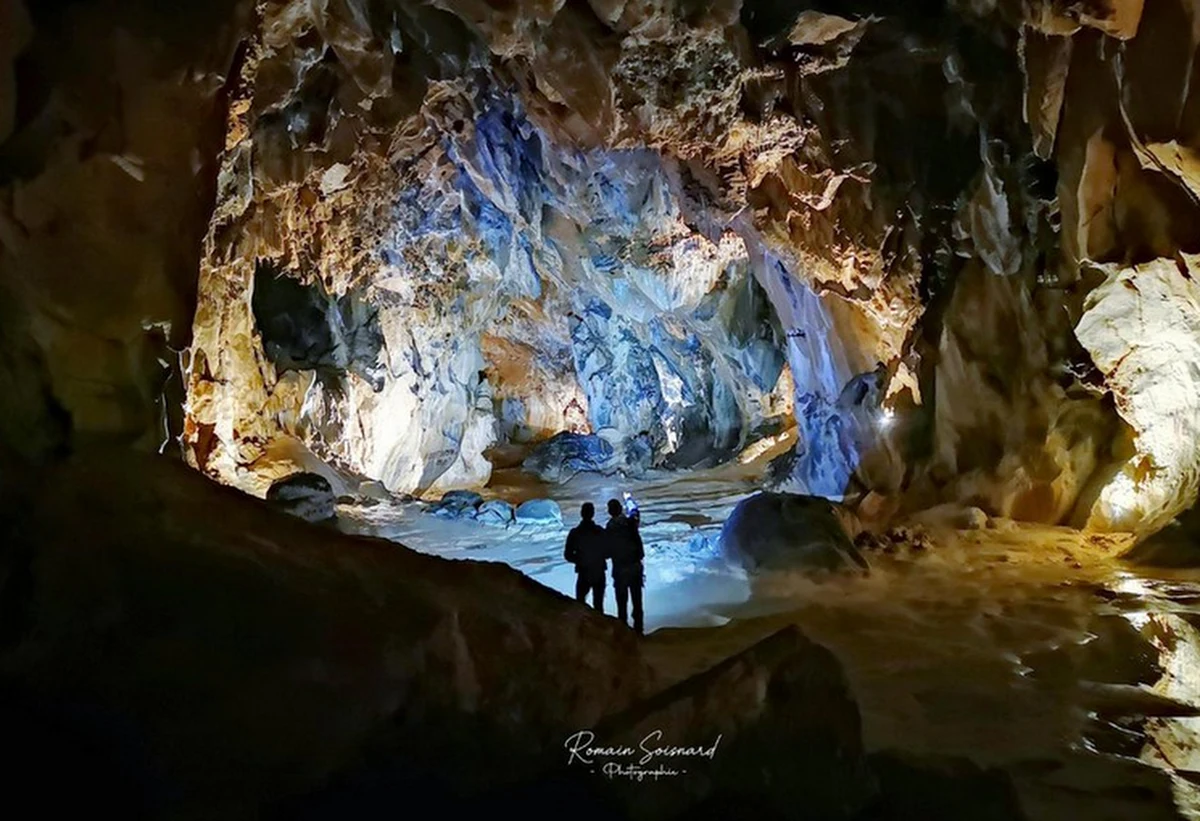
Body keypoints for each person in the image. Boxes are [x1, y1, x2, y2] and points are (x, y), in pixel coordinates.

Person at [605, 498, 644, 635]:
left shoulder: (609, 528)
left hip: (620, 569)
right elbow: (635, 513)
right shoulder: (630, 522)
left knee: (621, 603)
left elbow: (607, 551)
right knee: (637, 600)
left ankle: (624, 632)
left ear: (610, 511)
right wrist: (629, 500)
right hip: (634, 567)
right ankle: (639, 631)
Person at [564, 502, 608, 612]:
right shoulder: (600, 531)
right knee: (598, 605)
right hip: (598, 571)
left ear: (581, 513)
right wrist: (599, 557)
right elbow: (608, 551)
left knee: (580, 604)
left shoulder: (575, 533)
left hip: (584, 571)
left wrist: (580, 560)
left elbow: (568, 555)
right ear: (593, 513)